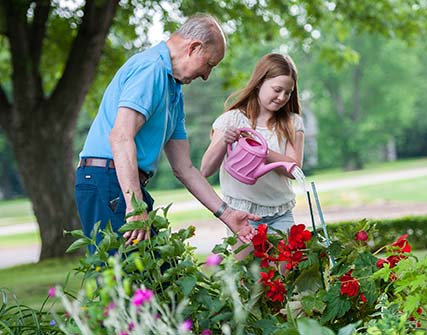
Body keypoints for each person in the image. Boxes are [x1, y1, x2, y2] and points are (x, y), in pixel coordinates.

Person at [74, 14, 258, 252]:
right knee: (124, 281)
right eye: (209, 64)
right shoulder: (151, 69)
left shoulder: (174, 90)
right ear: (193, 48)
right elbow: (120, 136)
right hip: (107, 181)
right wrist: (135, 205)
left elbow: (185, 168)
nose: (206, 76)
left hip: (123, 183)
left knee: (154, 278)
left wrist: (227, 214)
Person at [201, 53, 304, 257]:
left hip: (280, 214)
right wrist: (225, 140)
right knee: (247, 282)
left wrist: (263, 152)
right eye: (277, 90)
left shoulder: (292, 123)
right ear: (259, 83)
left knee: (282, 282)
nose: (282, 97)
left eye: (288, 92)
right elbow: (205, 169)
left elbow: (294, 168)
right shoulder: (231, 120)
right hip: (242, 216)